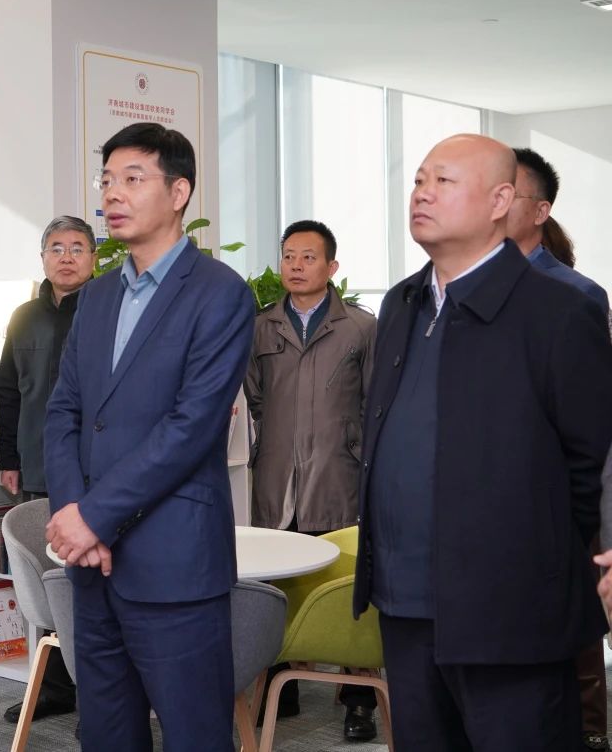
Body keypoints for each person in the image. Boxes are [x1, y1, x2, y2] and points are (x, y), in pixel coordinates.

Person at [354, 134, 612, 750]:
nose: (422, 194)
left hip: (512, 611)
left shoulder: (559, 310)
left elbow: (594, 461)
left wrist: (544, 558)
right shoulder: (401, 304)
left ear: (501, 201)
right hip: (405, 601)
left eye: (443, 181)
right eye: (419, 180)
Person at [45, 122, 253, 751]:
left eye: (133, 179)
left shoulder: (220, 293)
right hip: (93, 568)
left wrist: (95, 517)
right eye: (107, 180)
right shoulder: (96, 296)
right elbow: (64, 412)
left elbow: (192, 428)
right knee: (106, 735)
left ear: (179, 192)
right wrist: (74, 515)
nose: (113, 194)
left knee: (195, 736)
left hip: (174, 562)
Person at [244, 218, 377, 740]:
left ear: (331, 266)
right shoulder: (261, 326)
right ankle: (284, 687)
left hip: (339, 475)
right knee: (274, 585)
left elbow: (374, 404)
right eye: (289, 257)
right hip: (277, 478)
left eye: (308, 257)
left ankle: (360, 700)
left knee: (348, 587)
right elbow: (256, 398)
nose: (296, 266)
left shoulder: (361, 327)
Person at [505, 148, 612, 751]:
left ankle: (589, 728)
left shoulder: (576, 295)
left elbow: (590, 418)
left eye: (509, 193)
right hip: (496, 493)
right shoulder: (448, 291)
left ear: (539, 211)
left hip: (562, 489)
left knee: (572, 616)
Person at [0, 214, 95, 726]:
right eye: (57, 248)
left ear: (93, 257)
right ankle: (56, 688)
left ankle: (98, 696)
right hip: (37, 466)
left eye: (77, 248)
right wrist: (8, 458)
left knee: (91, 583)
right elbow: (8, 391)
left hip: (95, 470)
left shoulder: (108, 309)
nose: (66, 257)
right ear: (42, 258)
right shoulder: (23, 317)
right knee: (49, 579)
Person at [504, 147, 609, 314]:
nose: (495, 204)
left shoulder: (579, 293)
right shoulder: (466, 277)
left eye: (509, 195)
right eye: (487, 194)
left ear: (540, 212)